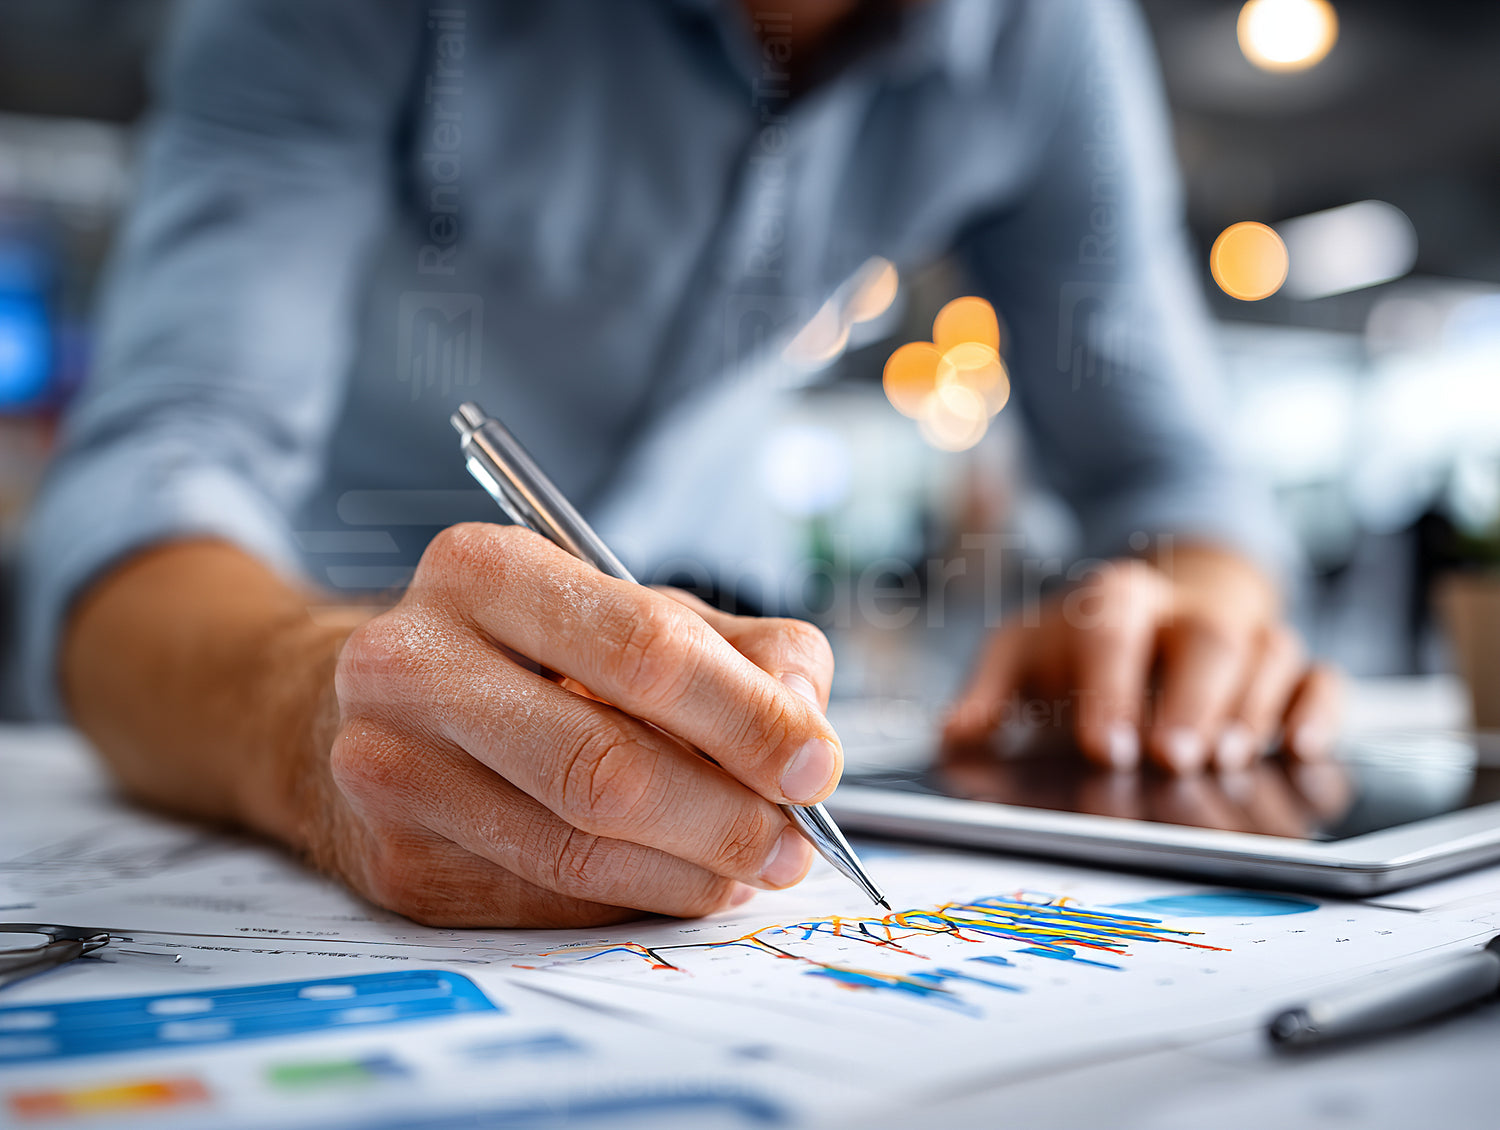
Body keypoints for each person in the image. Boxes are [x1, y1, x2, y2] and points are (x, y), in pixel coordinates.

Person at [20, 0, 1339, 928]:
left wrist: (1191, 611)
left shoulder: (1047, 34)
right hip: (304, 643)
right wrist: (308, 718)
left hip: (731, 693)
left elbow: (1178, 483)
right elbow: (150, 474)